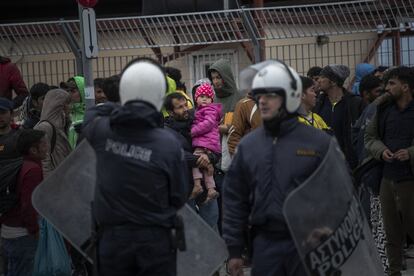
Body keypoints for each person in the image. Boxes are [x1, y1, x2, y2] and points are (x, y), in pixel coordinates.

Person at [223, 61, 334, 276]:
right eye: (259, 95)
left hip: (309, 244)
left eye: (270, 95)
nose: (262, 101)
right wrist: (234, 250)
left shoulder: (318, 142)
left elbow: (338, 191)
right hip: (266, 244)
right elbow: (235, 199)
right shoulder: (249, 146)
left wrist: (327, 228)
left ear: (290, 97)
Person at [83, 58, 189, 276]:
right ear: (161, 95)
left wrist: (124, 106)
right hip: (155, 241)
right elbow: (179, 196)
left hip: (112, 241)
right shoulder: (168, 144)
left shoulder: (103, 131)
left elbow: (92, 115)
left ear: (124, 92)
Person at [365, 66, 414, 276]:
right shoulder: (384, 109)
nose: (386, 88)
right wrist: (381, 151)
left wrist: (410, 152)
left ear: (405, 86)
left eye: (392, 83)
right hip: (388, 178)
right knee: (391, 234)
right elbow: (369, 138)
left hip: (410, 180)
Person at [163, 92, 219, 229]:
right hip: (184, 190)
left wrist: (210, 157)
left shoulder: (200, 121)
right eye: (180, 107)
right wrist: (200, 159)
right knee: (190, 232)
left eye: (185, 105)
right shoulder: (166, 131)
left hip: (206, 188)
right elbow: (176, 155)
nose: (185, 109)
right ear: (170, 112)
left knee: (211, 228)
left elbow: (215, 145)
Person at [0, 129, 47, 276]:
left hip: (8, 231)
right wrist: (35, 230)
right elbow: (29, 205)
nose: (47, 147)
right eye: (44, 144)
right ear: (33, 149)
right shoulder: (33, 170)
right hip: (21, 235)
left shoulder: (22, 164)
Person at [314, 64, 364, 169]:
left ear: (333, 82)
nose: (319, 80)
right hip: (323, 160)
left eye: (323, 77)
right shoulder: (318, 102)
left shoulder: (355, 103)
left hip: (349, 161)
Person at [191, 83, 221, 202]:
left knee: (195, 161)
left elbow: (208, 124)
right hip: (209, 143)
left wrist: (193, 131)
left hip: (205, 142)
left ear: (212, 100)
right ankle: (211, 189)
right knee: (207, 168)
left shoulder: (209, 110)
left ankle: (197, 184)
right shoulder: (200, 110)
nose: (204, 98)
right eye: (201, 96)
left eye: (207, 97)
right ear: (195, 98)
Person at [34, 89, 72, 178]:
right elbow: (44, 161)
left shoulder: (63, 122)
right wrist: (49, 184)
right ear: (57, 106)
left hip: (64, 173)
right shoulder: (44, 127)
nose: (69, 107)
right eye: (66, 103)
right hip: (55, 177)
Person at [60, 76, 85, 148]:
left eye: (73, 91)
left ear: (82, 92)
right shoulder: (66, 115)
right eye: (68, 91)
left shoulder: (91, 115)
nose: (69, 94)